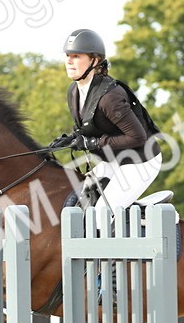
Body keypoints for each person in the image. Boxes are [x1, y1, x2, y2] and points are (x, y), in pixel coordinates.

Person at [51, 28, 162, 208]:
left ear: (94, 61)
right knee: (77, 203)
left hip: (141, 161)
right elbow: (87, 127)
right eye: (68, 56)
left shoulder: (110, 98)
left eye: (77, 56)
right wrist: (69, 140)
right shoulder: (73, 91)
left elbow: (137, 137)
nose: (69, 62)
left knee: (100, 212)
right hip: (112, 160)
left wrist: (94, 143)